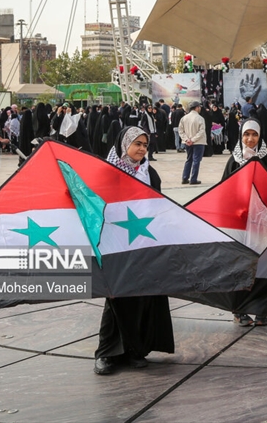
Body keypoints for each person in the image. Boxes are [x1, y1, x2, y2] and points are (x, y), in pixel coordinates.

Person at [95, 126, 174, 374]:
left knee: (142, 296)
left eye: (145, 144)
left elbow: (159, 206)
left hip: (143, 243)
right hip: (115, 245)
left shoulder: (149, 173)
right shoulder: (107, 173)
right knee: (116, 297)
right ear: (124, 144)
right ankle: (107, 353)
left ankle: (135, 350)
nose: (141, 149)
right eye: (137, 143)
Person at [221, 119, 267, 327]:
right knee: (240, 264)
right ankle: (240, 309)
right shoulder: (234, 160)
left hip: (262, 222)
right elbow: (224, 190)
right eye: (246, 134)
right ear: (241, 136)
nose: (250, 139)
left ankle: (262, 308)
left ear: (260, 136)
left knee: (263, 263)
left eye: (254, 134)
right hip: (239, 221)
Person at [179, 101, 206, 185]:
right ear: (197, 108)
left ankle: (185, 177)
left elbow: (181, 131)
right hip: (198, 142)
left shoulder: (184, 118)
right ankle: (193, 179)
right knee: (196, 160)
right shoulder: (200, 118)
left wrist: (187, 139)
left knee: (189, 159)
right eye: (199, 107)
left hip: (187, 143)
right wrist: (193, 140)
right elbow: (201, 131)